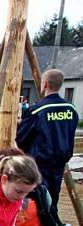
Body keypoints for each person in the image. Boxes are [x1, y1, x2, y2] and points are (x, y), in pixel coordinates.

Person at [16, 69, 79, 211]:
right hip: (60, 163)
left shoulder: (37, 111)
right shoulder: (71, 109)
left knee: (38, 202)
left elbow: (21, 139)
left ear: (44, 84)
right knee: (52, 200)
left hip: (39, 164)